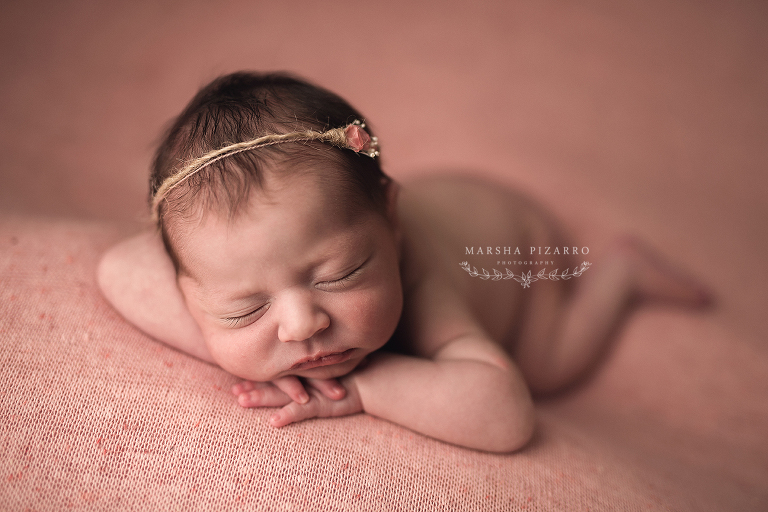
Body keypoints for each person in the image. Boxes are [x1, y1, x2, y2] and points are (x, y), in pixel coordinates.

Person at [97, 71, 712, 453]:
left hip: (514, 247)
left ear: (390, 221)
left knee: (547, 367)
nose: (302, 325)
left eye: (338, 275)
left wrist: (362, 388)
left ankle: (621, 272)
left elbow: (506, 415)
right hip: (411, 204)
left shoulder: (420, 285)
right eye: (245, 308)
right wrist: (242, 352)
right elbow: (117, 270)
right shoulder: (239, 262)